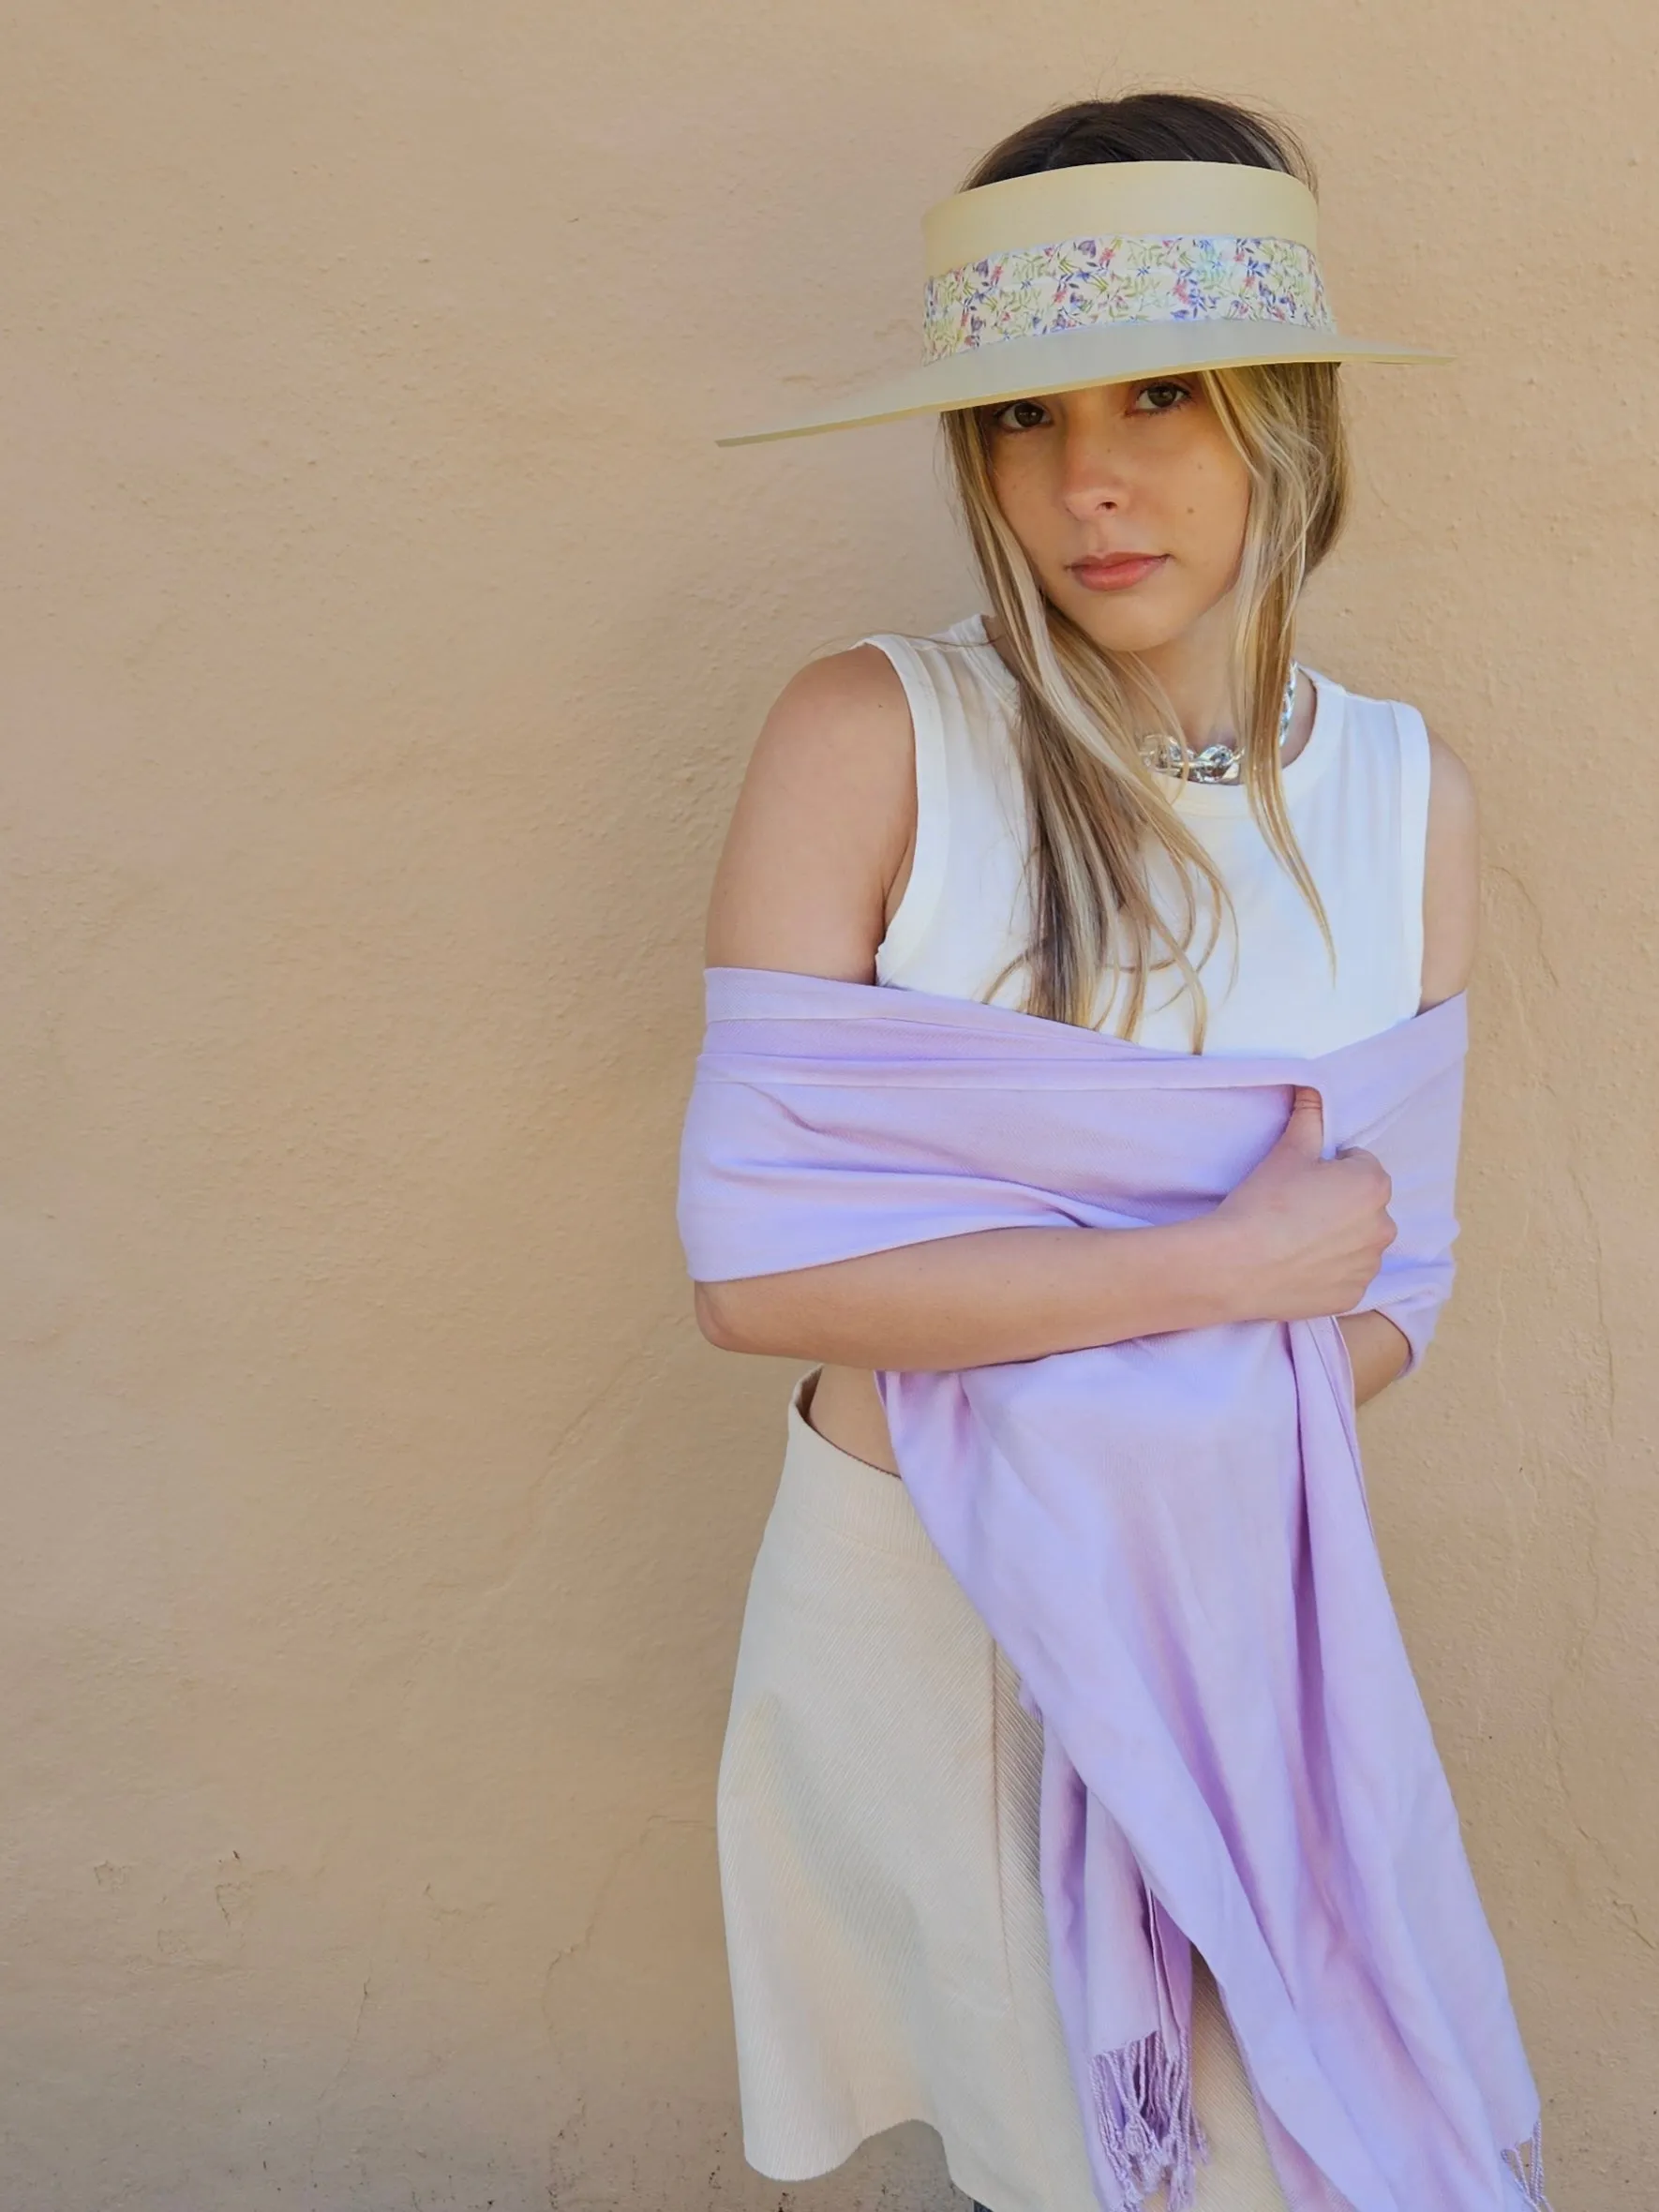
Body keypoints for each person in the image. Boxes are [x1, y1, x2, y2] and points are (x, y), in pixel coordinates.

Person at [692, 94, 1481, 2212]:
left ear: (1290, 417)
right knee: (1067, 2165)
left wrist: (1077, 1345)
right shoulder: (871, 738)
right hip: (926, 1609)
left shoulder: (1405, 799)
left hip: (1239, 1614)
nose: (1087, 479)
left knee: (1270, 2151)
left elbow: (1395, 1278)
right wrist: (1220, 1277)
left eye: (1163, 397)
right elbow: (760, 1277)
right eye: (1023, 416)